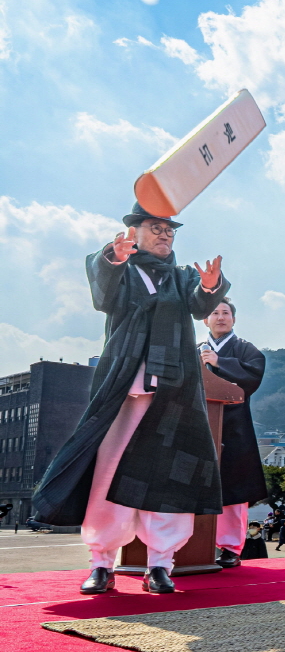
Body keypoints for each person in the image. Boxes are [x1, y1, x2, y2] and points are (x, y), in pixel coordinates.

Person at [33, 202, 229, 595]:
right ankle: (101, 563)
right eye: (156, 228)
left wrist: (209, 286)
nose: (165, 235)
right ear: (134, 231)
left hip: (173, 393)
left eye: (170, 230)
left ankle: (160, 565)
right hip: (124, 388)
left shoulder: (182, 276)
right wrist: (113, 259)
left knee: (167, 476)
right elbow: (102, 294)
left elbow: (199, 304)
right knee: (108, 475)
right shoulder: (116, 264)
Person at [198, 298, 267, 569]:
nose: (220, 317)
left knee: (234, 490)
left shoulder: (245, 349)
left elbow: (253, 375)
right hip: (200, 424)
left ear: (234, 319)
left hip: (235, 426)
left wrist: (219, 361)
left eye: (226, 312)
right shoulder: (193, 349)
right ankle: (191, 544)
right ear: (205, 319)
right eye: (214, 312)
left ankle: (230, 547)